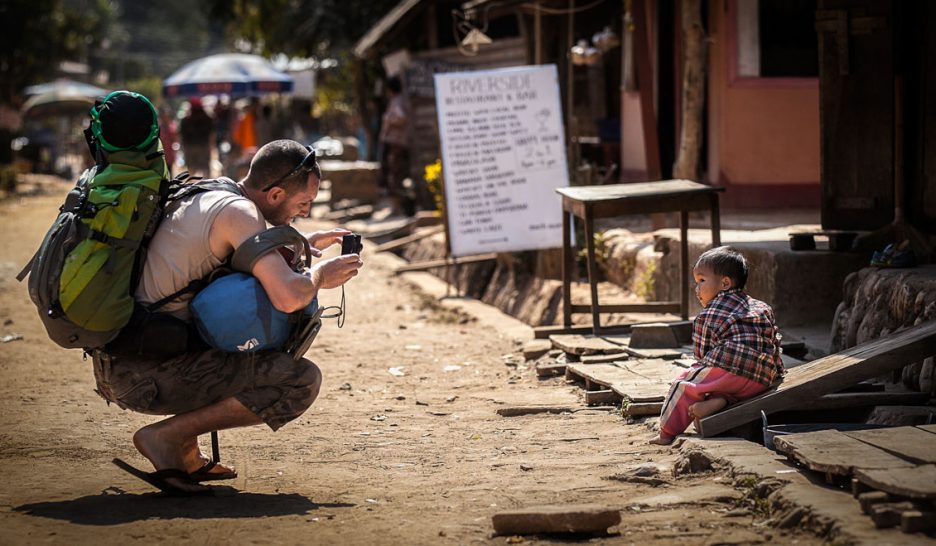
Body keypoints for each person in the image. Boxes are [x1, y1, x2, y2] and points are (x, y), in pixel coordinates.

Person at [93, 138, 363, 494]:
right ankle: (168, 437)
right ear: (276, 194)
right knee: (299, 379)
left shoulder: (214, 192)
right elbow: (287, 298)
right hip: (143, 376)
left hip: (124, 360)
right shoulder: (241, 215)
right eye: (304, 203)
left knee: (231, 321)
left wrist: (303, 242)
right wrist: (320, 277)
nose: (306, 212)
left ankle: (185, 449)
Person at [650, 246, 783, 445]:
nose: (697, 288)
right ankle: (722, 400)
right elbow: (774, 341)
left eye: (701, 281)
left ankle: (666, 433)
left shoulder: (709, 314)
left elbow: (702, 357)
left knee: (685, 385)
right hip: (761, 379)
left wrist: (699, 375)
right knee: (724, 381)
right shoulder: (762, 307)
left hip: (730, 371)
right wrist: (777, 372)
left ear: (725, 283)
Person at [378, 76, 411, 215]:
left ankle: (398, 208)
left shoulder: (397, 101)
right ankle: (398, 207)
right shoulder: (397, 100)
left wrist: (389, 121)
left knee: (395, 176)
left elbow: (401, 117)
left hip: (395, 143)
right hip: (396, 143)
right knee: (394, 175)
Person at [178, 98, 214, 177]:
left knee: (191, 168)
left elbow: (181, 134)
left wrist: (182, 146)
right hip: (203, 146)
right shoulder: (207, 118)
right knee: (205, 168)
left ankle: (192, 185)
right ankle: (207, 185)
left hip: (190, 146)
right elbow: (211, 133)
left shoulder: (185, 119)